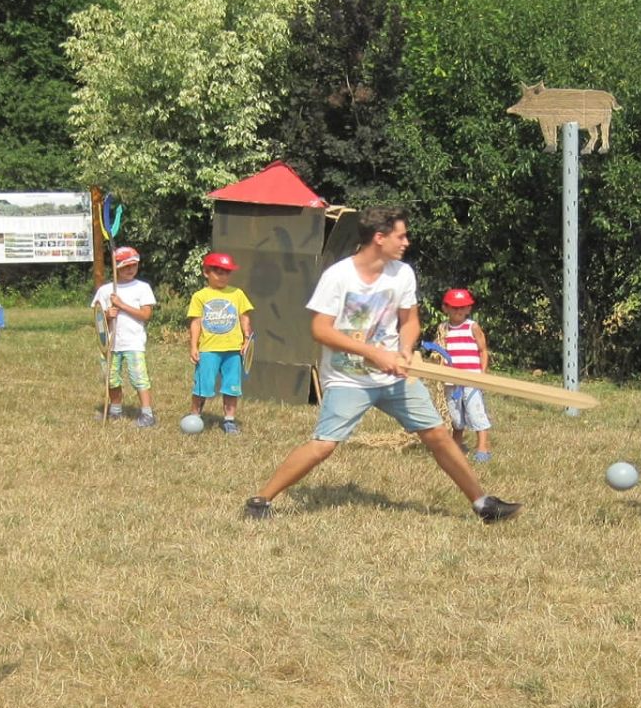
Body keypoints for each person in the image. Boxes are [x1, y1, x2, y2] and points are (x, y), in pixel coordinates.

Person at [245, 206, 519, 523]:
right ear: (379, 238)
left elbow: (410, 321)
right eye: (400, 236)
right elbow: (320, 330)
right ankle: (260, 500)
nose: (406, 242)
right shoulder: (338, 277)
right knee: (323, 446)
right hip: (349, 379)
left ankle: (484, 504)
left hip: (395, 378)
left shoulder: (402, 273)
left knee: (438, 435)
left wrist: (403, 350)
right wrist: (374, 354)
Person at [186, 251, 252, 433]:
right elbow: (196, 322)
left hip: (233, 350)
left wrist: (247, 339)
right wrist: (193, 346)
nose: (223, 276)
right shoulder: (200, 296)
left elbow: (244, 317)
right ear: (206, 273)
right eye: (218, 272)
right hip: (209, 349)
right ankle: (195, 416)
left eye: (227, 272)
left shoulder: (237, 294)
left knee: (232, 387)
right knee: (202, 385)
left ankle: (229, 420)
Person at [91, 246, 157, 425]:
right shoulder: (106, 291)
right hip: (111, 344)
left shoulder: (142, 288)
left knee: (139, 378)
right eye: (126, 266)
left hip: (133, 342)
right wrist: (107, 315)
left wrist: (122, 305)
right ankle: (115, 410)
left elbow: (145, 315)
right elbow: (97, 320)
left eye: (134, 265)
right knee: (111, 379)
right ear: (116, 267)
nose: (130, 269)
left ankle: (147, 414)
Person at [436, 287, 493, 461]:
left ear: (469, 308)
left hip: (471, 378)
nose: (458, 311)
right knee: (455, 415)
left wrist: (482, 373)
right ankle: (457, 444)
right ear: (445, 308)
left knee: (475, 411)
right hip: (451, 380)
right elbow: (439, 350)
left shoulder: (472, 327)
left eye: (462, 307)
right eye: (454, 307)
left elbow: (483, 350)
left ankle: (483, 447)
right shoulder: (443, 329)